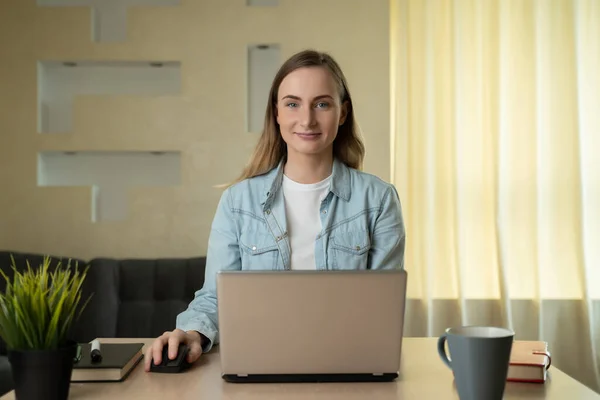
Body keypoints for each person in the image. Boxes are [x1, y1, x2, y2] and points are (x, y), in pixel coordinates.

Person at [144, 49, 406, 371]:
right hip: (260, 365)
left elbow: (383, 311)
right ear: (277, 113)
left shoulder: (378, 200)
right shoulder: (238, 202)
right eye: (292, 104)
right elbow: (215, 298)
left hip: (349, 366)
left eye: (321, 104)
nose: (307, 119)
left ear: (342, 113)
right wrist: (191, 333)